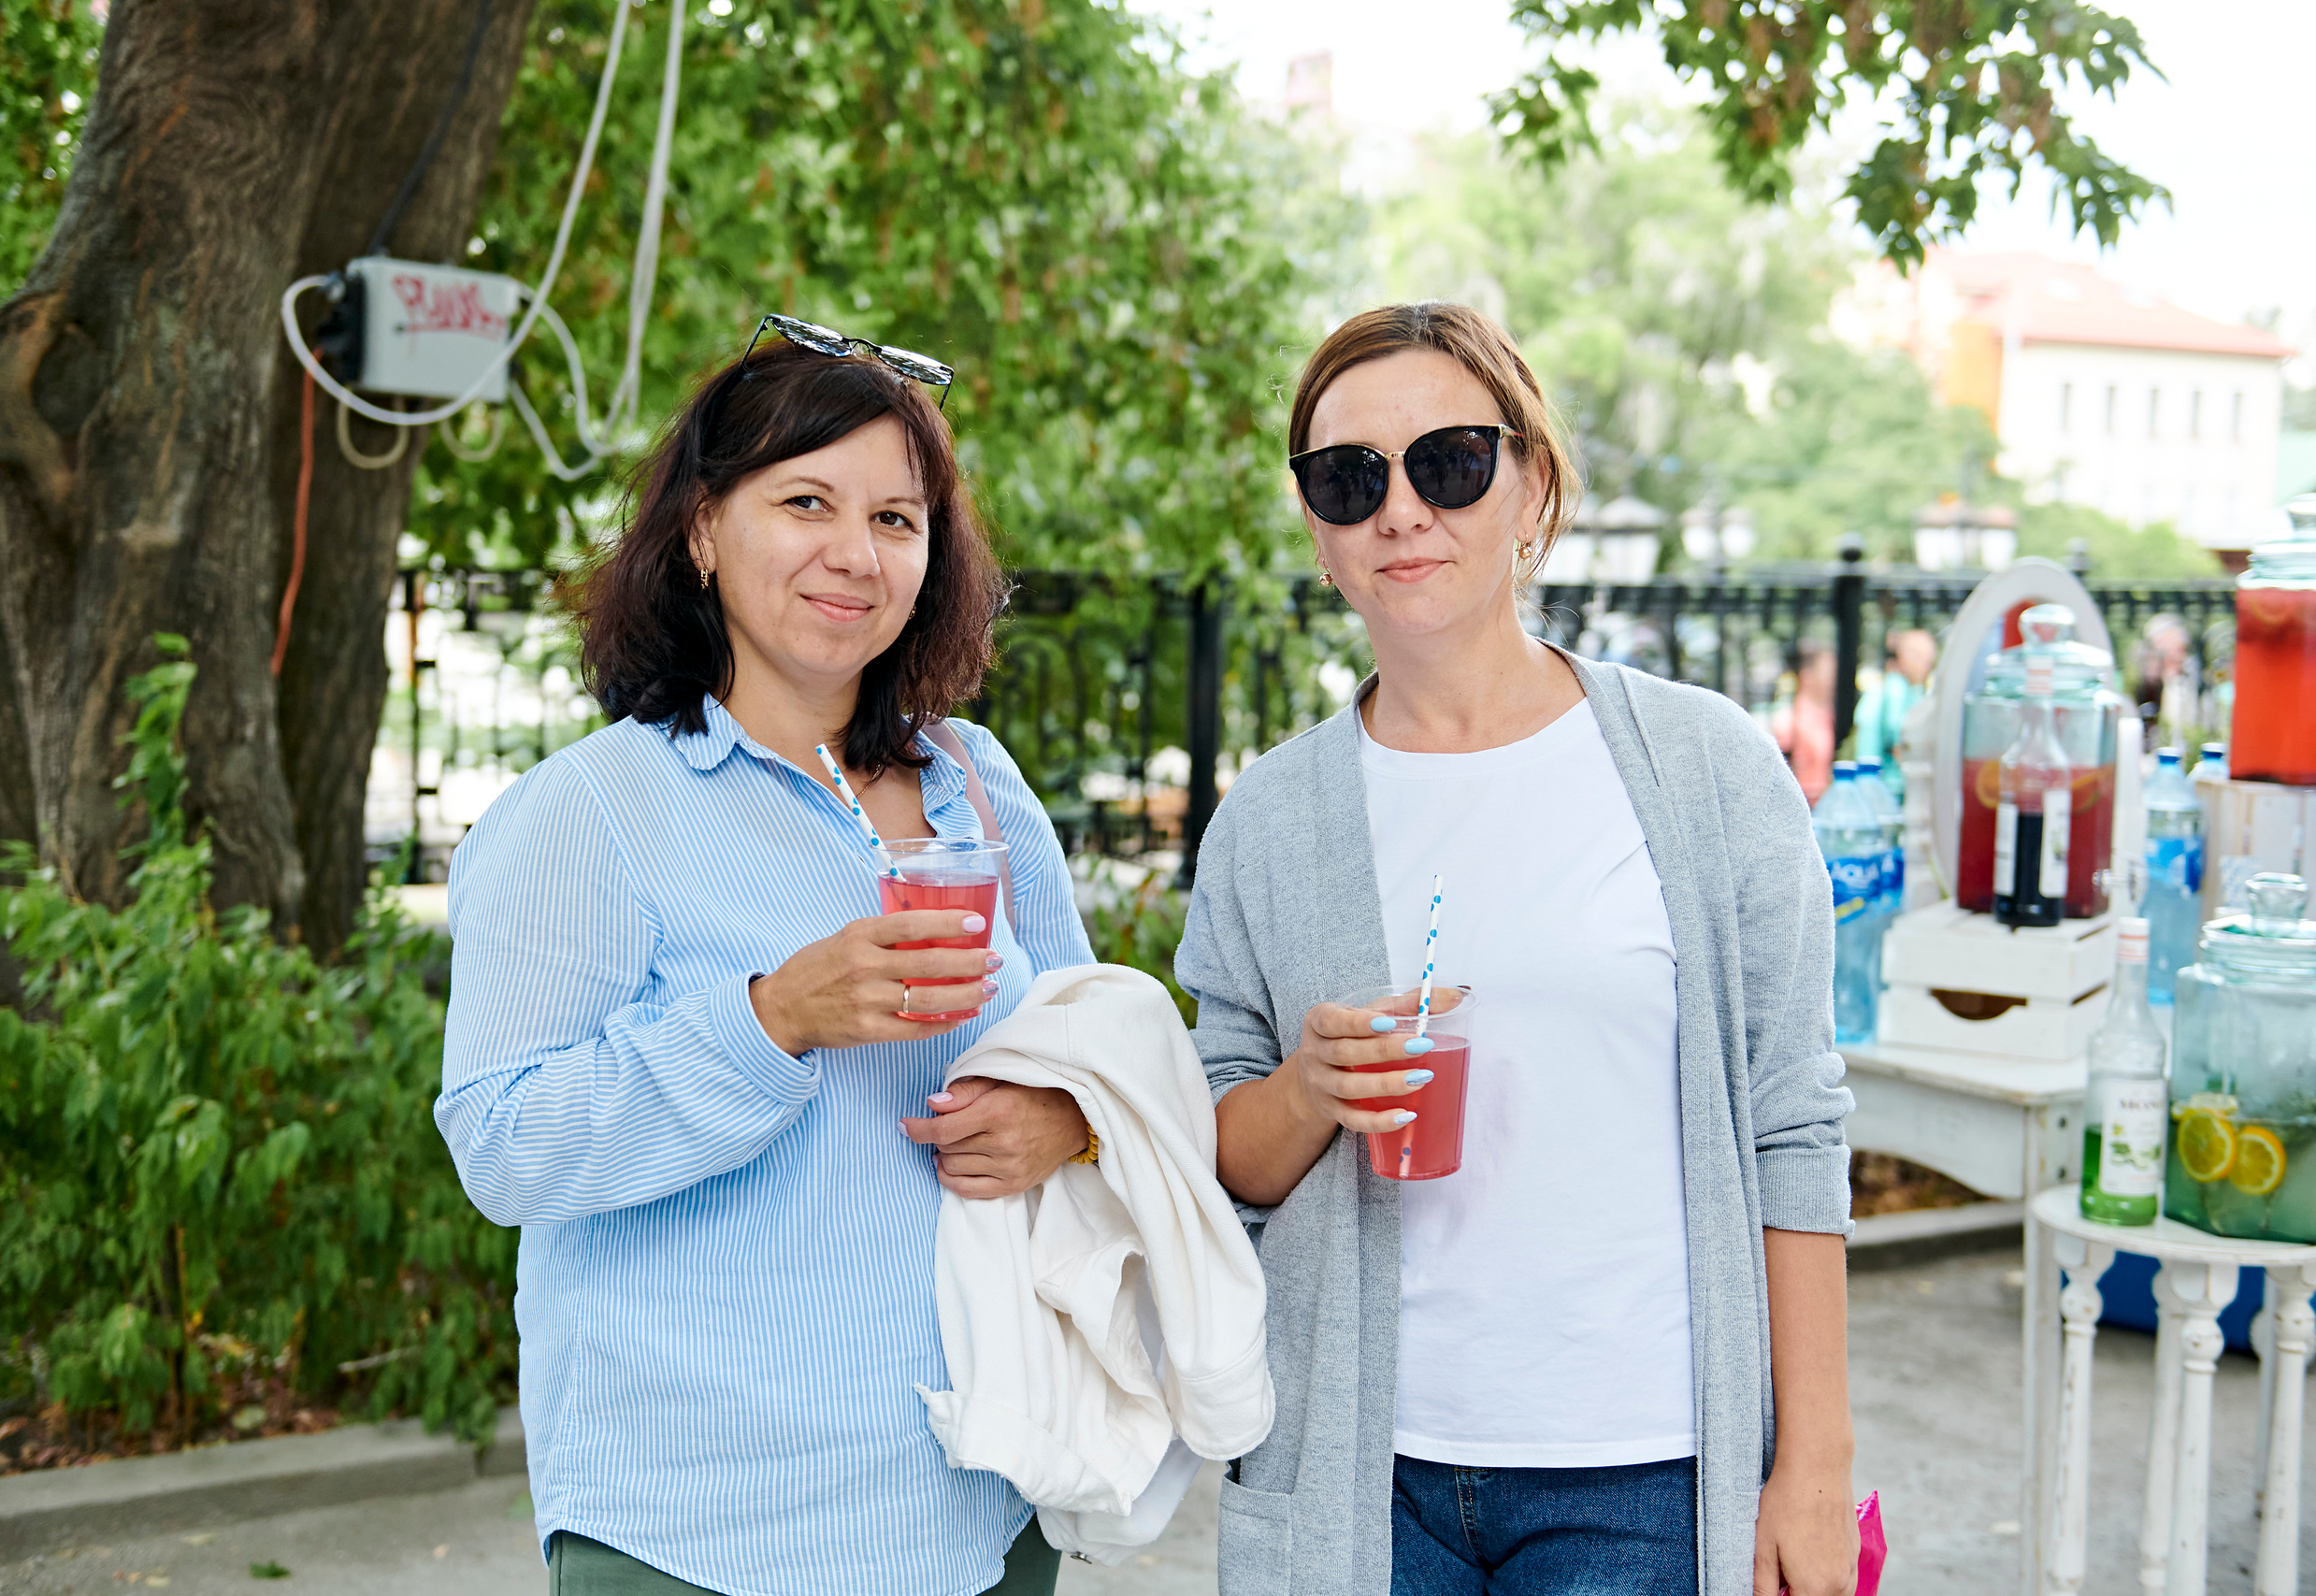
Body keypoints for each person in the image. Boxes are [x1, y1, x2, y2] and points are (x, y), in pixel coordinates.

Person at [1177, 303, 1858, 1596]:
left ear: (1531, 481)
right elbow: (1224, 1153)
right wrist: (1311, 1092)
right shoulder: (1269, 821)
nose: (1400, 509)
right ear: (1318, 527)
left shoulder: (1705, 767)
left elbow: (1793, 1123)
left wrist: (1811, 1459)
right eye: (1348, 476)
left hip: (1645, 1472)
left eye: (1449, 460)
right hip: (1359, 1470)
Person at [436, 317, 1098, 1596]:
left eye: (898, 518)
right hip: (702, 1523)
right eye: (806, 501)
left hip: (985, 1492)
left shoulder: (977, 781)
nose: (855, 552)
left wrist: (1067, 1114)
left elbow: (1086, 1035)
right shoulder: (590, 809)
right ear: (701, 530)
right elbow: (504, 1143)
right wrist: (770, 1017)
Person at [1853, 627, 1936, 798]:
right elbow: (1902, 737)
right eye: (1920, 655)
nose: (1928, 662)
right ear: (1904, 656)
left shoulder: (1910, 691)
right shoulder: (1895, 691)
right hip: (1890, 793)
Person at [1772, 642, 1837, 805]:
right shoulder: (1787, 720)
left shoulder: (1831, 715)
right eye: (1827, 673)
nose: (1834, 680)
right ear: (1806, 676)